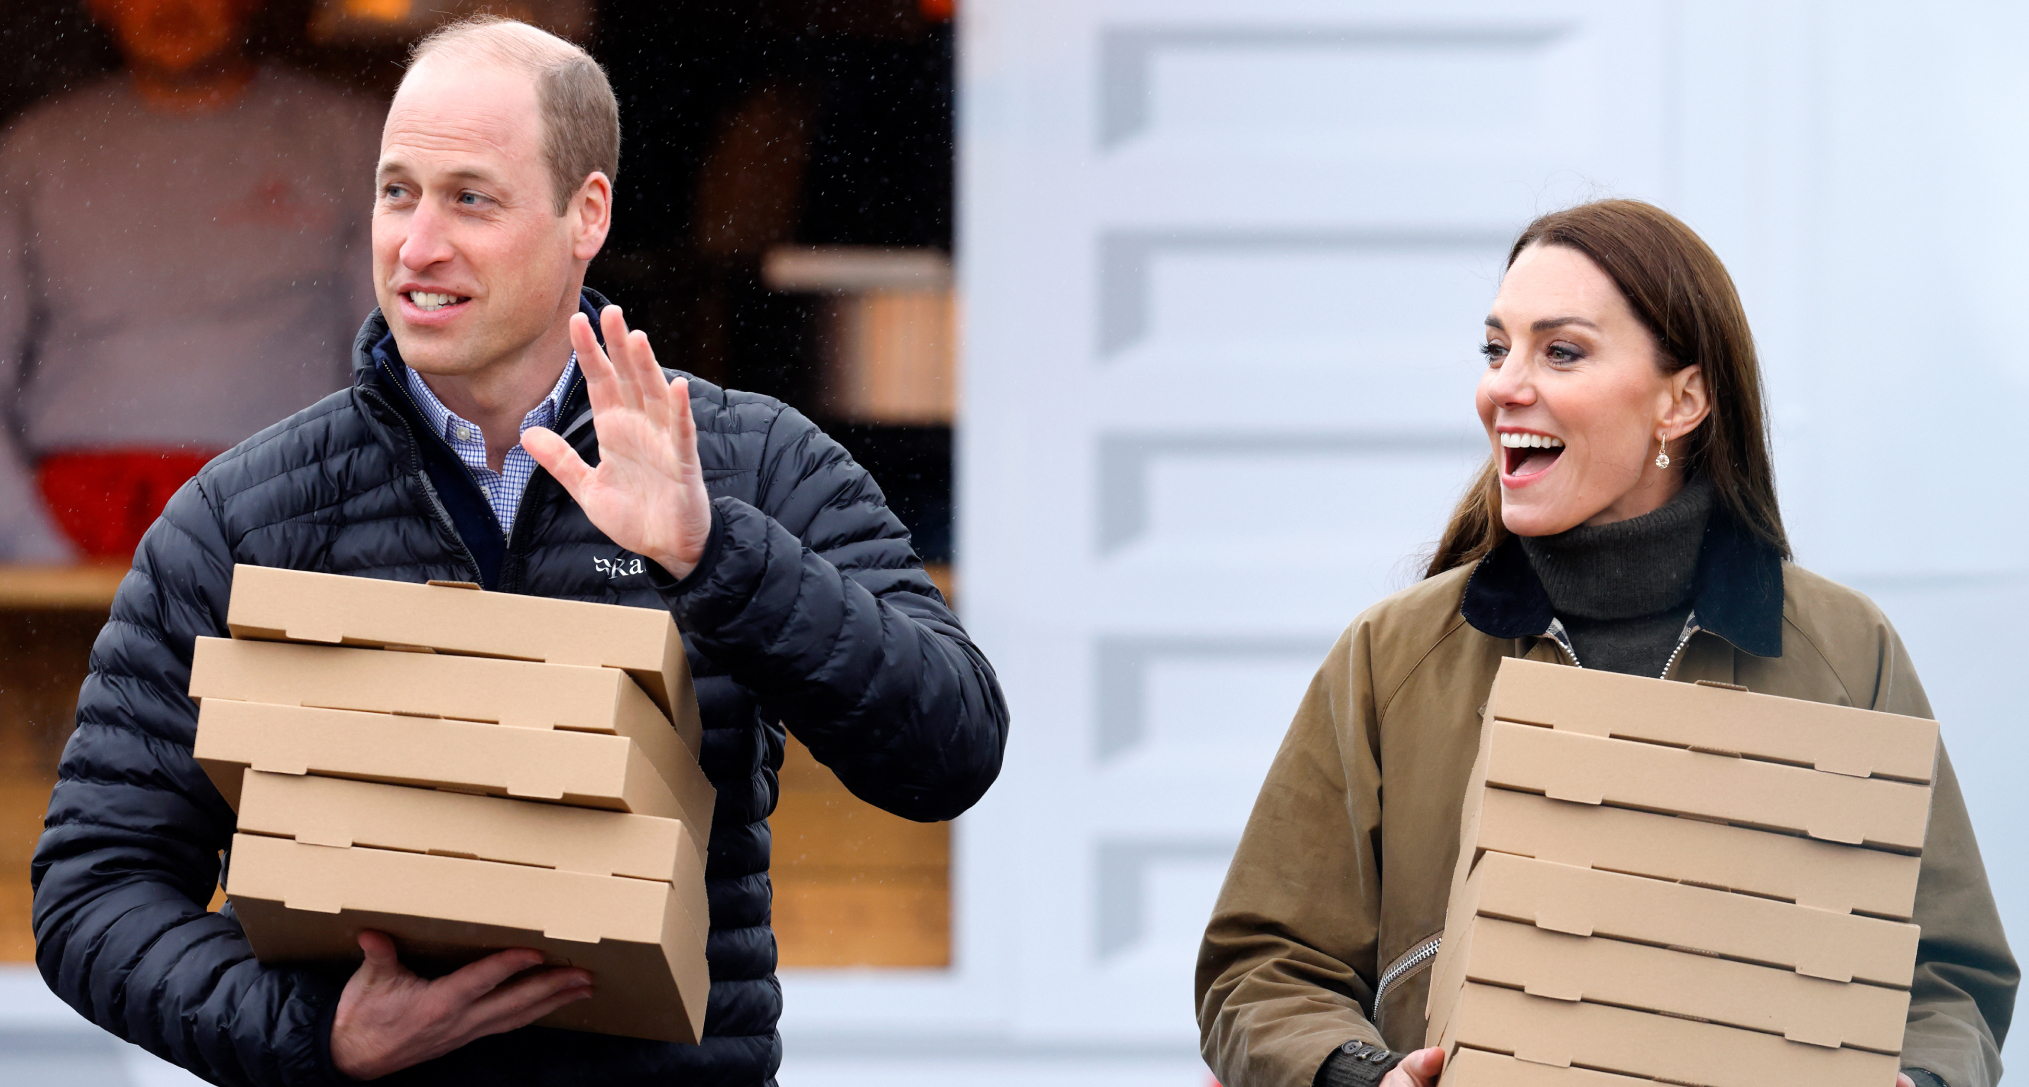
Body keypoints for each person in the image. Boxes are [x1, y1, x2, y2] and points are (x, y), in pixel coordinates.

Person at [30, 15, 1008, 1085]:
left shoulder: (751, 468)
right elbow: (94, 891)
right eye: (396, 192)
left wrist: (715, 551)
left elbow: (948, 751)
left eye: (471, 199)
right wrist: (318, 1033)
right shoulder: (244, 516)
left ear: (584, 213)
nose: (417, 245)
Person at [1196, 200, 2015, 1087]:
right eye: (1494, 348)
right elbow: (1262, 968)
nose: (1504, 385)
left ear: (1682, 400)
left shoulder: (1846, 651)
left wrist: (1922, 1082)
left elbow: (1947, 975)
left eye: (1561, 350)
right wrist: (1362, 1075)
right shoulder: (1390, 659)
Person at [0, 0, 378, 562]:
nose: (171, 7)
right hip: (74, 516)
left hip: (289, 509)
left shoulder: (354, 138)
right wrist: (30, 544)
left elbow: (402, 368)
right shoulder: (33, 148)